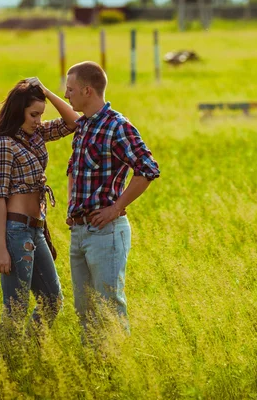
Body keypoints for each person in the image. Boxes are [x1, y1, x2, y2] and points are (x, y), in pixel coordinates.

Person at [64, 61, 160, 335]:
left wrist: (117, 208)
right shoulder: (82, 126)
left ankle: (118, 368)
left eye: (70, 90)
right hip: (79, 231)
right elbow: (73, 168)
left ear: (87, 91)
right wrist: (72, 205)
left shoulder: (117, 126)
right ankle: (94, 369)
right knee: (84, 310)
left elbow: (148, 169)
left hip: (105, 233)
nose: (66, 95)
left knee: (109, 307)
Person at [0, 78, 79, 348]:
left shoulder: (37, 134)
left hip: (36, 229)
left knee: (52, 299)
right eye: (33, 114)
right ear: (18, 112)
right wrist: (1, 248)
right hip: (15, 232)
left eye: (41, 114)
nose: (38, 120)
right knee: (15, 307)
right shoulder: (4, 144)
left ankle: (29, 352)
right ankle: (6, 363)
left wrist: (47, 93)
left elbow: (74, 122)